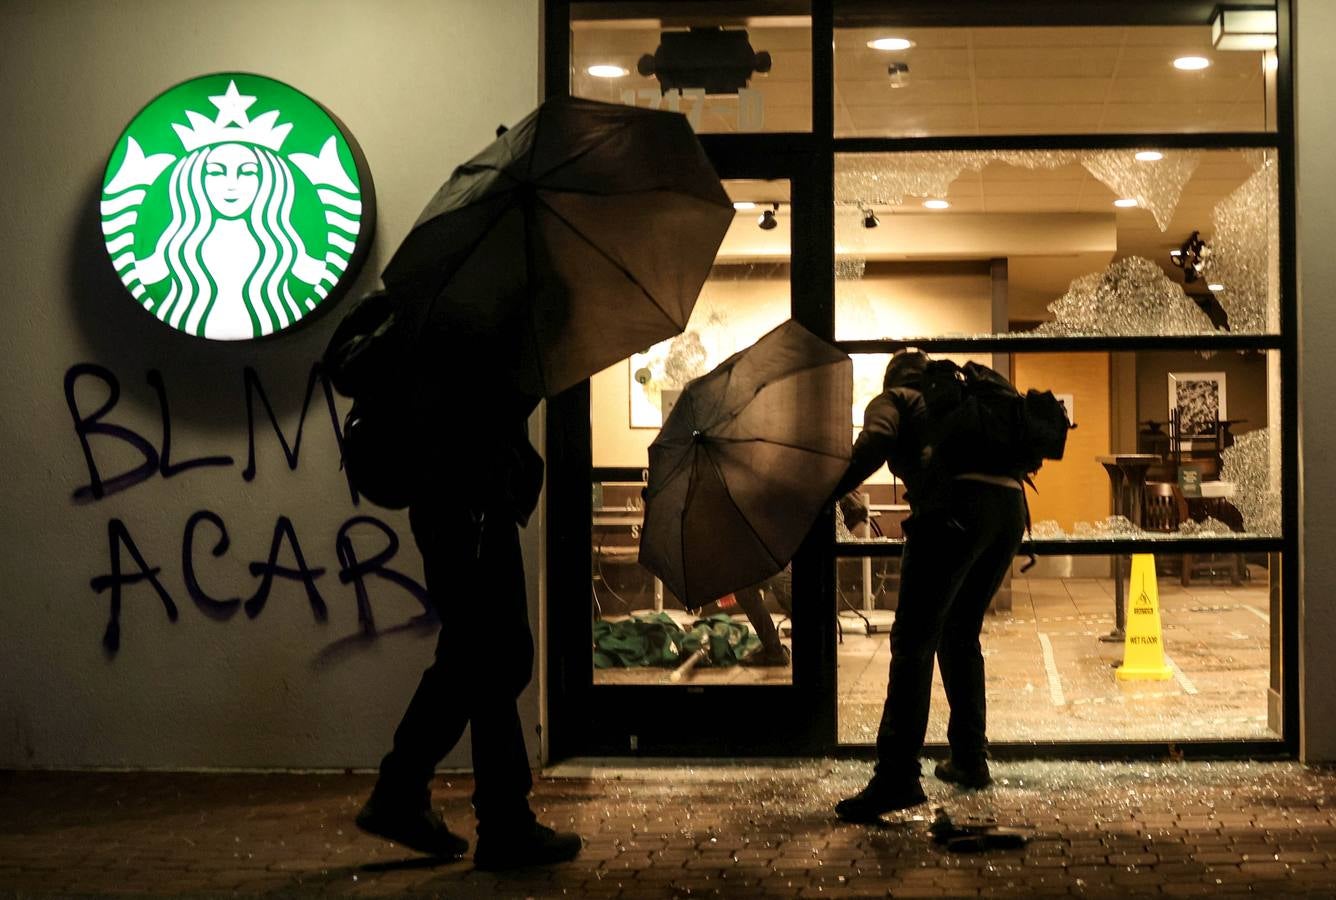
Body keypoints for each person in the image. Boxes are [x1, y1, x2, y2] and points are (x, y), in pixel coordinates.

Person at [355, 365, 582, 869]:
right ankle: (502, 825)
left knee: (473, 655)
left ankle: (403, 793)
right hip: (471, 505)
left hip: (458, 503)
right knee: (494, 658)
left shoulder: (446, 316)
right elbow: (488, 408)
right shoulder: (473, 325)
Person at [831, 350, 1027, 822]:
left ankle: (896, 777)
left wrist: (832, 487)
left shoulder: (894, 398)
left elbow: (875, 441)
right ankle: (968, 759)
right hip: (1008, 511)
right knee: (960, 634)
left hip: (954, 512)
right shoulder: (963, 400)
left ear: (893, 379)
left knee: (913, 642)